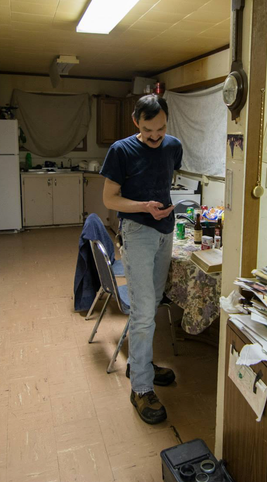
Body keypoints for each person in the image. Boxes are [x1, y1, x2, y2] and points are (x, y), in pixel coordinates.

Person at [100, 94, 182, 425]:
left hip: (165, 231)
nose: (155, 136)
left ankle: (140, 363)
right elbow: (110, 199)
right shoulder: (121, 150)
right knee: (144, 312)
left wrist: (162, 208)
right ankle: (141, 388)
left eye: (161, 129)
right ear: (136, 122)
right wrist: (144, 207)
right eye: (148, 130)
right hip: (137, 233)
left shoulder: (173, 146)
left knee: (154, 304)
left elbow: (164, 181)